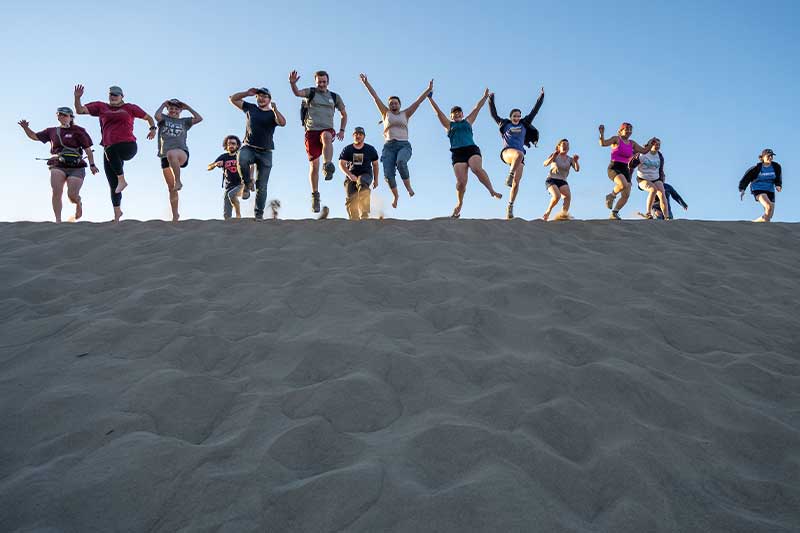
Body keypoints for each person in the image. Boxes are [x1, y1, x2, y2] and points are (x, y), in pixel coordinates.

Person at [74, 84, 156, 222]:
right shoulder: (101, 107)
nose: (113, 97)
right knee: (113, 185)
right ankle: (117, 214)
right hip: (109, 151)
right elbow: (80, 110)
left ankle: (122, 179)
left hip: (128, 146)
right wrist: (77, 98)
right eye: (111, 94)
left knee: (111, 149)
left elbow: (148, 117)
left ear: (122, 97)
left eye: (116, 95)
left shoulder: (130, 108)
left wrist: (153, 128)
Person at [359, 73, 432, 208]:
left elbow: (418, 102)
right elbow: (375, 98)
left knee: (401, 162)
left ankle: (409, 188)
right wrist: (366, 83)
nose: (393, 104)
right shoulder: (385, 113)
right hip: (388, 147)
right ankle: (396, 196)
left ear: (399, 104)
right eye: (391, 103)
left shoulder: (406, 113)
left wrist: (428, 90)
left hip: (404, 145)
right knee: (388, 175)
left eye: (395, 103)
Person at [427, 89, 503, 218]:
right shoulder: (449, 125)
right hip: (457, 153)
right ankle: (460, 203)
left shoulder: (468, 121)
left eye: (458, 113)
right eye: (454, 114)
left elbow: (476, 108)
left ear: (462, 114)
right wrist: (430, 99)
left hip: (471, 149)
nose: (456, 115)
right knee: (461, 183)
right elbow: (438, 113)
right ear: (451, 116)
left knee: (476, 168)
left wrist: (484, 97)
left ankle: (492, 190)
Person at [18, 107, 99, 222]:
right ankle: (58, 220)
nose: (61, 116)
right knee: (56, 191)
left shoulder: (79, 131)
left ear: (71, 117)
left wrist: (92, 165)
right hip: (58, 164)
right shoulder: (51, 131)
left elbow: (88, 150)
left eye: (65, 115)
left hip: (77, 166)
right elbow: (34, 136)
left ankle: (78, 202)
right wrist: (25, 128)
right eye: (59, 114)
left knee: (72, 194)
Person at [289, 70, 348, 213]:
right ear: (316, 82)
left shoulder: (334, 97)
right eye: (319, 82)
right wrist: (292, 83)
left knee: (327, 136)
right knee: (314, 166)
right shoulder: (311, 92)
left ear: (328, 82)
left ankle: (328, 165)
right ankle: (315, 196)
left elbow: (343, 114)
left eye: (324, 82)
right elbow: (297, 93)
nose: (322, 84)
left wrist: (342, 130)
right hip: (311, 131)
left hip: (326, 129)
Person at [228, 87, 286, 220]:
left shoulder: (272, 114)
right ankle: (247, 184)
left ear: (269, 99)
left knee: (262, 186)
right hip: (249, 147)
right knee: (241, 157)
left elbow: (282, 123)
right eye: (259, 95)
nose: (261, 98)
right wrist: (246, 93)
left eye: (265, 96)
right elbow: (233, 99)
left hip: (265, 153)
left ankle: (258, 214)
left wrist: (275, 109)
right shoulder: (251, 108)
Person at [488, 87, 545, 219]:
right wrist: (491, 99)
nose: (517, 118)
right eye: (514, 116)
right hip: (507, 152)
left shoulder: (524, 123)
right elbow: (493, 114)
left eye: (519, 116)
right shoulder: (504, 124)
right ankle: (510, 174)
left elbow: (534, 111)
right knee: (519, 154)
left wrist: (541, 97)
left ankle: (510, 205)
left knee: (516, 183)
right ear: (510, 117)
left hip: (519, 157)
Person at [154, 99, 202, 222]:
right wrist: (163, 104)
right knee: (171, 188)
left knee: (172, 153)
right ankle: (175, 215)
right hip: (165, 156)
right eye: (171, 108)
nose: (173, 111)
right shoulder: (164, 118)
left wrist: (188, 107)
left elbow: (199, 118)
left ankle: (178, 180)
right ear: (168, 109)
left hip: (181, 153)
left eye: (176, 109)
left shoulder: (184, 122)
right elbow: (156, 116)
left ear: (180, 110)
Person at [598, 122, 652, 219]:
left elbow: (644, 151)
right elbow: (603, 143)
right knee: (623, 184)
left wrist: (650, 143)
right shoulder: (616, 139)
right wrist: (601, 134)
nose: (629, 131)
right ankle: (611, 196)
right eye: (626, 129)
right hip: (614, 167)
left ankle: (614, 212)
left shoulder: (632, 143)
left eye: (630, 129)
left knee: (626, 194)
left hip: (625, 169)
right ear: (621, 130)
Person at [338, 127, 380, 220]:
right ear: (353, 136)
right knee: (351, 197)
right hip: (351, 175)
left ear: (364, 137)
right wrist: (349, 175)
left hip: (366, 175)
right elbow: (341, 164)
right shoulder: (348, 149)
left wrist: (376, 180)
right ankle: (354, 219)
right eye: (356, 134)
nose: (358, 136)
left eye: (360, 134)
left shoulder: (370, 149)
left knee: (361, 181)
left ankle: (364, 213)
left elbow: (375, 165)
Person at [630, 137, 670, 220]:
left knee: (662, 193)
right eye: (655, 144)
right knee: (653, 190)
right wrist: (629, 179)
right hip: (643, 179)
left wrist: (662, 180)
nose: (657, 146)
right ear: (651, 145)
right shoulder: (642, 154)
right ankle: (648, 213)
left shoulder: (659, 156)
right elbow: (631, 166)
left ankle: (667, 217)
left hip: (656, 178)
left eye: (659, 145)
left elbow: (661, 170)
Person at [738, 148, 782, 222]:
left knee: (769, 216)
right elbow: (746, 178)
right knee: (768, 206)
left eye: (772, 156)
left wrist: (778, 185)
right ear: (762, 157)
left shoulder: (776, 166)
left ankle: (754, 223)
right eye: (768, 156)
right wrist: (742, 189)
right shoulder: (756, 168)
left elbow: (778, 177)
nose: (770, 157)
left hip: (770, 190)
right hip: (758, 189)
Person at [541, 139, 580, 221]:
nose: (565, 146)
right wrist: (552, 157)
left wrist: (576, 162)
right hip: (551, 179)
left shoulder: (570, 159)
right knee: (557, 196)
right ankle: (548, 211)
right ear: (559, 147)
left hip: (562, 181)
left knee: (568, 197)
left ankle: (563, 215)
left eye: (567, 145)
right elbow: (545, 164)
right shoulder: (555, 155)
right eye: (563, 144)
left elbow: (577, 169)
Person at [208, 135, 245, 220]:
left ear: (237, 145)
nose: (231, 146)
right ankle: (229, 227)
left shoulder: (241, 156)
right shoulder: (224, 157)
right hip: (228, 186)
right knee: (226, 215)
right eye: (229, 144)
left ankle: (238, 215)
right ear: (226, 145)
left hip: (241, 185)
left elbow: (251, 165)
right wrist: (215, 164)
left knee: (231, 194)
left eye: (233, 143)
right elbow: (209, 167)